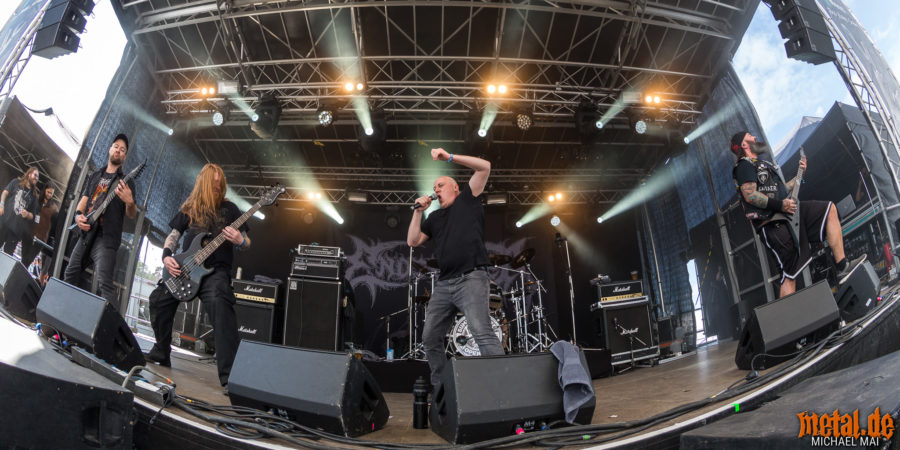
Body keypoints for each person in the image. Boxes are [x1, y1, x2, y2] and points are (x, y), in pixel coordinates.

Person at [407, 148, 504, 389]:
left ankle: (502, 387)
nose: (436, 189)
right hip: (444, 284)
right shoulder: (434, 218)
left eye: (441, 185)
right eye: (434, 187)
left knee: (481, 331)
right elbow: (412, 241)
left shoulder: (467, 200)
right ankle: (442, 389)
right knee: (430, 337)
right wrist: (418, 212)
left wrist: (449, 157)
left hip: (471, 277)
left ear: (455, 188)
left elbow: (485, 166)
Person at [147, 163, 248, 390]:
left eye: (220, 183)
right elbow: (174, 235)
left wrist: (240, 241)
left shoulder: (230, 209)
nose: (217, 187)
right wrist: (166, 256)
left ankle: (231, 378)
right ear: (203, 182)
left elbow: (246, 242)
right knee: (158, 300)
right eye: (213, 183)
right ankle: (161, 351)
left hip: (215, 273)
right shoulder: (190, 207)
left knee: (221, 305)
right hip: (185, 269)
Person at [730, 131, 866, 298]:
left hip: (789, 215)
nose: (755, 138)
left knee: (829, 209)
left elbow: (784, 189)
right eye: (750, 136)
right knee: (790, 276)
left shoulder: (763, 164)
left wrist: (800, 175)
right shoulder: (744, 166)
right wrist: (780, 205)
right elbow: (750, 195)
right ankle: (785, 315)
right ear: (744, 145)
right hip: (773, 223)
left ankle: (842, 267)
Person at [64, 134, 137, 308]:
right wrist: (78, 216)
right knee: (70, 274)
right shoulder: (95, 176)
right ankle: (62, 313)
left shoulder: (126, 183)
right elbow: (83, 202)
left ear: (124, 156)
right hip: (87, 233)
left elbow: (132, 214)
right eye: (116, 146)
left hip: (106, 238)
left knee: (105, 283)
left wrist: (130, 201)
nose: (118, 150)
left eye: (122, 150)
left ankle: (115, 325)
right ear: (110, 149)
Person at [0, 167, 40, 257]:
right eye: (35, 175)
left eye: (38, 177)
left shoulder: (34, 196)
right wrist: (1, 204)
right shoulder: (16, 182)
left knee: (7, 256)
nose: (36, 178)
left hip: (16, 231)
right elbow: (5, 192)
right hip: (4, 222)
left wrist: (27, 214)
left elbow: (33, 216)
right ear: (29, 174)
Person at [22, 185, 59, 269]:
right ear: (44, 190)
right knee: (24, 257)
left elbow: (54, 227)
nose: (49, 195)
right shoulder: (36, 199)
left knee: (28, 259)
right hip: (28, 232)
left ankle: (18, 274)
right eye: (48, 192)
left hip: (41, 238)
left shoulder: (54, 209)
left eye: (51, 193)